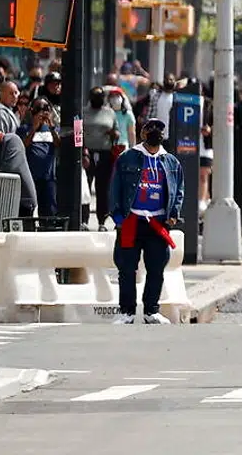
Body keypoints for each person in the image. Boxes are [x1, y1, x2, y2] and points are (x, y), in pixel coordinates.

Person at [108, 118, 184, 325]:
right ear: (142, 134)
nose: (156, 132)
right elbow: (115, 189)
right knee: (126, 268)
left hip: (157, 222)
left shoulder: (170, 162)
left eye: (159, 129)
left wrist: (173, 215)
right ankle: (127, 312)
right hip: (131, 220)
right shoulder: (127, 158)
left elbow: (179, 191)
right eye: (151, 129)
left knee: (156, 267)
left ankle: (151, 310)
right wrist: (117, 218)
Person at [82, 86, 120, 230]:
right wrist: (83, 151)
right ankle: (84, 220)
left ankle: (102, 221)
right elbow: (79, 131)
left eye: (100, 96)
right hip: (87, 153)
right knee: (85, 188)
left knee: (102, 189)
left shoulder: (110, 113)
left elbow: (117, 132)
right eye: (94, 96)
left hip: (105, 153)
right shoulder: (84, 111)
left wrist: (113, 134)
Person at [20, 98, 59, 217]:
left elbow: (58, 144)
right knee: (28, 208)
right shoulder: (24, 129)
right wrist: (33, 129)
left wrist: (51, 127)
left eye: (45, 109)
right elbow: (23, 145)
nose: (41, 113)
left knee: (49, 210)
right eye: (38, 109)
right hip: (30, 176)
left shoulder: (52, 129)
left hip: (48, 177)